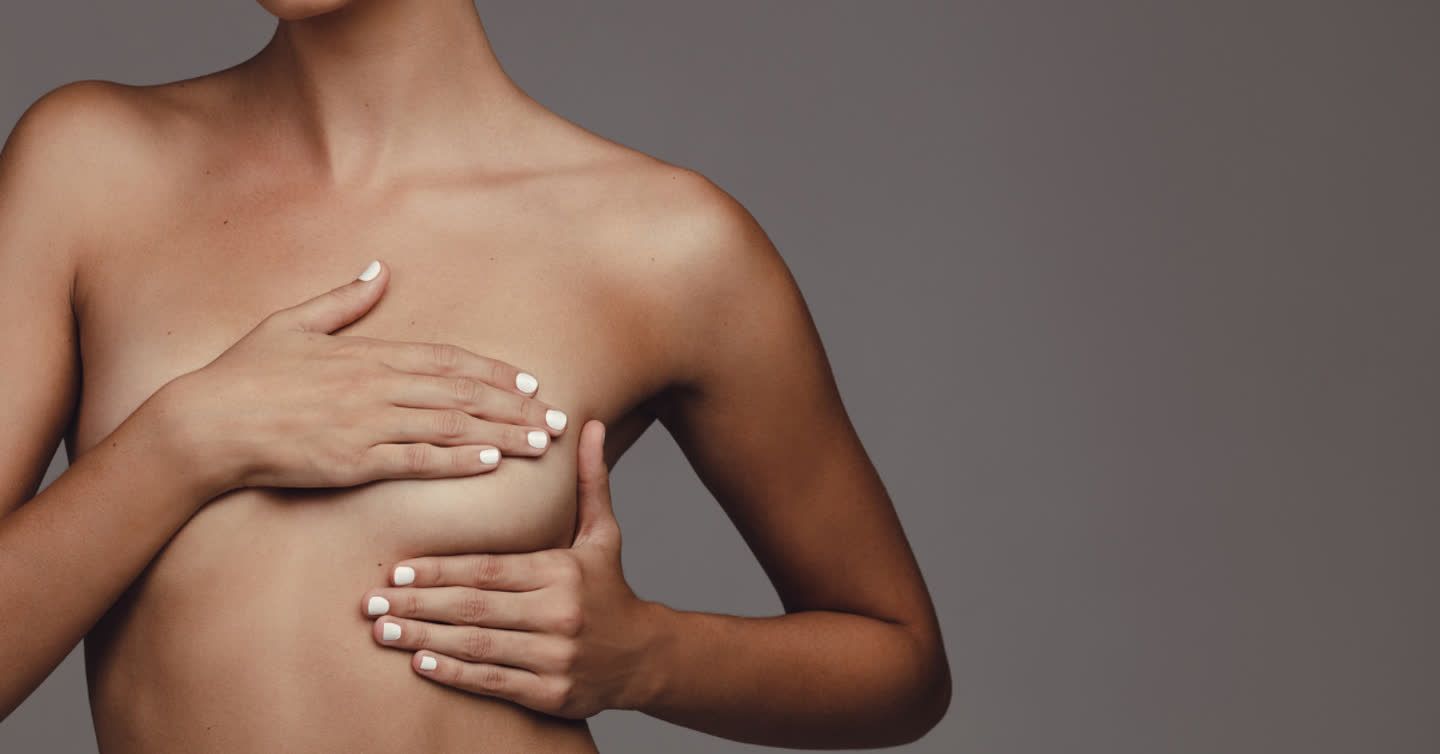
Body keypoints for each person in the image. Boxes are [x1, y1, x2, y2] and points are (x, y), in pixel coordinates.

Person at [0, 0, 950, 750]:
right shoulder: (90, 168)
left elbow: (901, 664)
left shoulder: (665, 246)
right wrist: (187, 439)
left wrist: (652, 657)